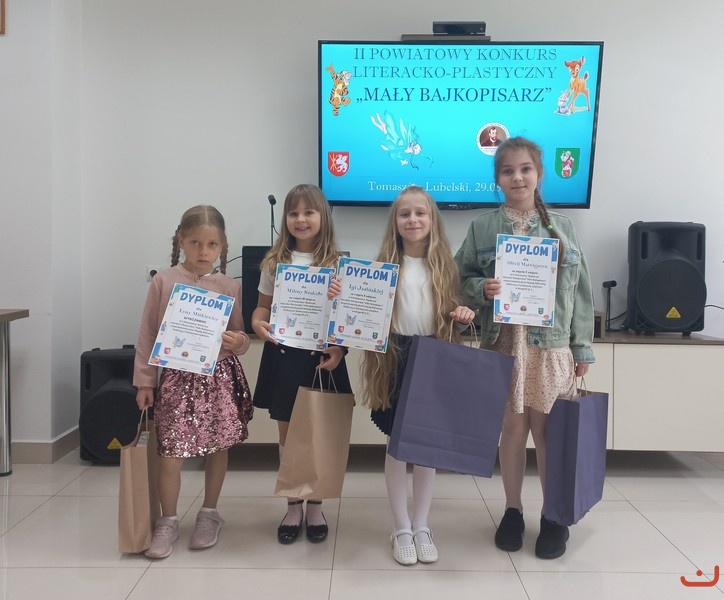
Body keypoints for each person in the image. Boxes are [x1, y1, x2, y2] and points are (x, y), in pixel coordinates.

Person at [455, 137, 595, 559]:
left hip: (549, 347)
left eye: (525, 169)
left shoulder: (562, 227)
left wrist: (582, 348)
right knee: (512, 430)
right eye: (507, 171)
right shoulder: (482, 227)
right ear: (497, 179)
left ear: (539, 174)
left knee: (548, 433)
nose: (517, 177)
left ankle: (553, 516)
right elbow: (458, 279)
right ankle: (513, 510)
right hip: (503, 342)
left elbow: (581, 291)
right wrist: (481, 288)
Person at [360, 185, 475, 566]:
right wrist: (342, 294)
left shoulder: (446, 267)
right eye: (405, 213)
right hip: (395, 356)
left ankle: (422, 524)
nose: (413, 219)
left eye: (420, 213)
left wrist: (462, 315)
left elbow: (454, 312)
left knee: (426, 448)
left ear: (432, 220)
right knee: (396, 446)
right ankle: (401, 526)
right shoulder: (381, 267)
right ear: (395, 221)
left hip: (433, 356)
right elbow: (360, 312)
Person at [133, 205, 253, 559]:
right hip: (176, 380)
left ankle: (209, 513)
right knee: (171, 453)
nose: (203, 251)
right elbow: (147, 335)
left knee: (217, 448)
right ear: (181, 241)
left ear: (222, 245)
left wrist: (238, 341)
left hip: (218, 379)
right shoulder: (164, 281)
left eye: (212, 244)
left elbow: (240, 335)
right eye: (196, 243)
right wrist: (145, 383)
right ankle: (168, 520)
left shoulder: (229, 286)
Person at [251, 183, 352, 545]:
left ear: (323, 217)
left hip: (322, 361)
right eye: (293, 213)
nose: (301, 219)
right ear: (286, 219)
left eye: (309, 212)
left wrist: (339, 350)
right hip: (284, 358)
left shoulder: (339, 264)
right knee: (288, 436)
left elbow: (347, 320)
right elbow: (261, 309)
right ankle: (293, 504)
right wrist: (257, 324)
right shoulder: (274, 263)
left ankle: (316, 506)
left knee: (319, 436)